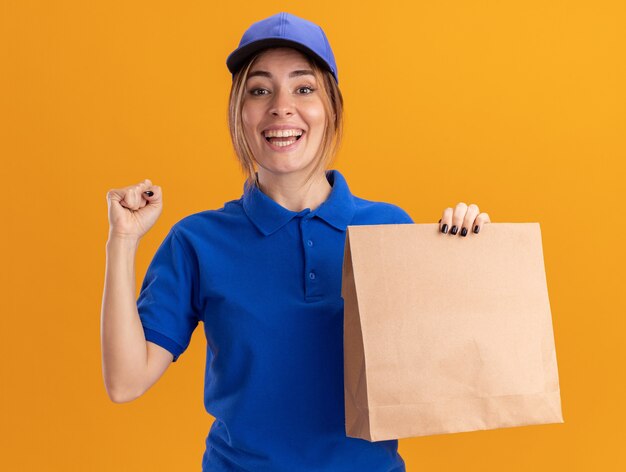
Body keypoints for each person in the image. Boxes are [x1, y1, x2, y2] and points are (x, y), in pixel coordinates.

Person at [101, 12, 492, 472]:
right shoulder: (197, 241)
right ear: (239, 113)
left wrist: (467, 256)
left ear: (331, 107)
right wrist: (122, 241)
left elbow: (438, 371)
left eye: (303, 89)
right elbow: (126, 382)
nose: (281, 107)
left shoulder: (388, 229)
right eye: (260, 90)